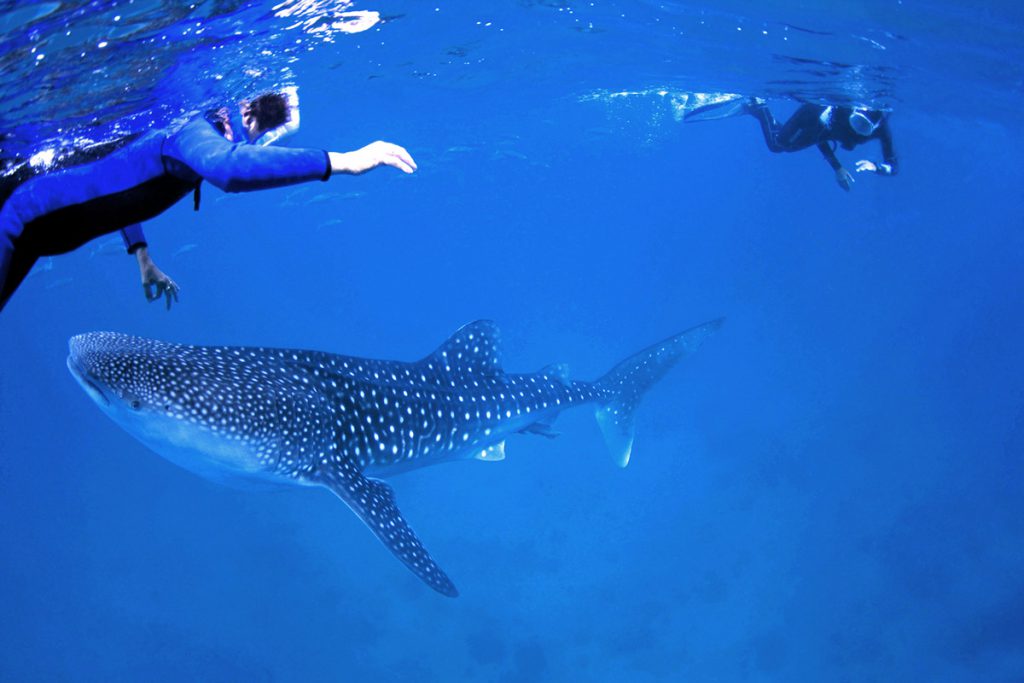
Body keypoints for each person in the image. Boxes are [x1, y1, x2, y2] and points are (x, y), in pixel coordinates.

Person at [0, 88, 416, 313]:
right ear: (245, 110)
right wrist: (343, 161)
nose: (259, 145)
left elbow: (114, 179)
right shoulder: (193, 130)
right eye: (265, 134)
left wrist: (141, 255)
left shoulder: (192, 135)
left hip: (29, 233)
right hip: (14, 219)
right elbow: (231, 171)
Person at [745, 100, 898, 191]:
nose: (855, 128)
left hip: (822, 128)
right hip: (811, 114)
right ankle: (760, 106)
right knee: (778, 144)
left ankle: (757, 110)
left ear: (875, 127)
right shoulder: (841, 110)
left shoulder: (882, 131)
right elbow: (820, 136)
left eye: (863, 127)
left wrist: (875, 166)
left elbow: (893, 167)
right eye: (856, 121)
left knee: (779, 145)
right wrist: (837, 167)